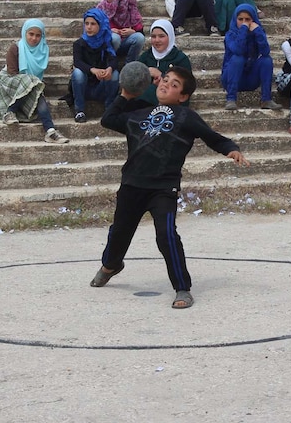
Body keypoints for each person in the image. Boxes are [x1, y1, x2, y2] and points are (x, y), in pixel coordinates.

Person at [92, 63, 249, 309]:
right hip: (132, 184)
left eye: (174, 85)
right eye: (164, 79)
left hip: (163, 188)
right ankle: (111, 265)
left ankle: (182, 288)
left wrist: (231, 149)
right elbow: (108, 119)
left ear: (183, 96)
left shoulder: (187, 117)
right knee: (120, 231)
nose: (166, 84)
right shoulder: (139, 112)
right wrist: (126, 93)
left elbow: (212, 137)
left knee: (166, 235)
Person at [0, 19, 68, 144]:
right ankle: (10, 112)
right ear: (25, 33)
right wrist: (31, 83)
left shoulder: (43, 50)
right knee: (31, 82)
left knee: (38, 96)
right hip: (9, 82)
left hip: (31, 84)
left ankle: (50, 131)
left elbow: (37, 77)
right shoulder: (15, 48)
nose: (34, 38)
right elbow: (12, 73)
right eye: (31, 34)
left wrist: (32, 86)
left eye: (38, 35)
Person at [220, 3, 281, 111]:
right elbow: (238, 50)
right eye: (240, 19)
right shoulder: (230, 35)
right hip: (231, 77)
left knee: (266, 60)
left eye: (247, 19)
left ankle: (266, 99)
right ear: (235, 19)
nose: (244, 22)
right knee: (238, 59)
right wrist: (243, 30)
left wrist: (258, 32)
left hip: (250, 79)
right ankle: (231, 99)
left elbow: (265, 52)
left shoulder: (257, 33)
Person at [70, 8, 120, 123]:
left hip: (100, 86)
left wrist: (109, 69)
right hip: (85, 86)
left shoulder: (106, 42)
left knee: (115, 73)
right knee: (77, 73)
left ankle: (109, 108)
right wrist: (93, 70)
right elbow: (77, 62)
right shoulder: (79, 43)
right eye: (86, 23)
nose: (89, 27)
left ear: (100, 25)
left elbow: (113, 59)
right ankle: (79, 110)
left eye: (93, 24)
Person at [136, 20, 192, 106]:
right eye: (153, 36)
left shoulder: (180, 59)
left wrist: (162, 76)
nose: (157, 40)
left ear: (170, 36)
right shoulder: (146, 57)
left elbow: (186, 88)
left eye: (161, 36)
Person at [96, 0, 146, 65]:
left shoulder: (130, 7)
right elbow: (93, 31)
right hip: (106, 46)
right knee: (114, 38)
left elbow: (141, 33)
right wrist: (108, 31)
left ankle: (130, 65)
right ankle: (108, 63)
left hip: (125, 44)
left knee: (139, 38)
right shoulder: (101, 7)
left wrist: (132, 32)